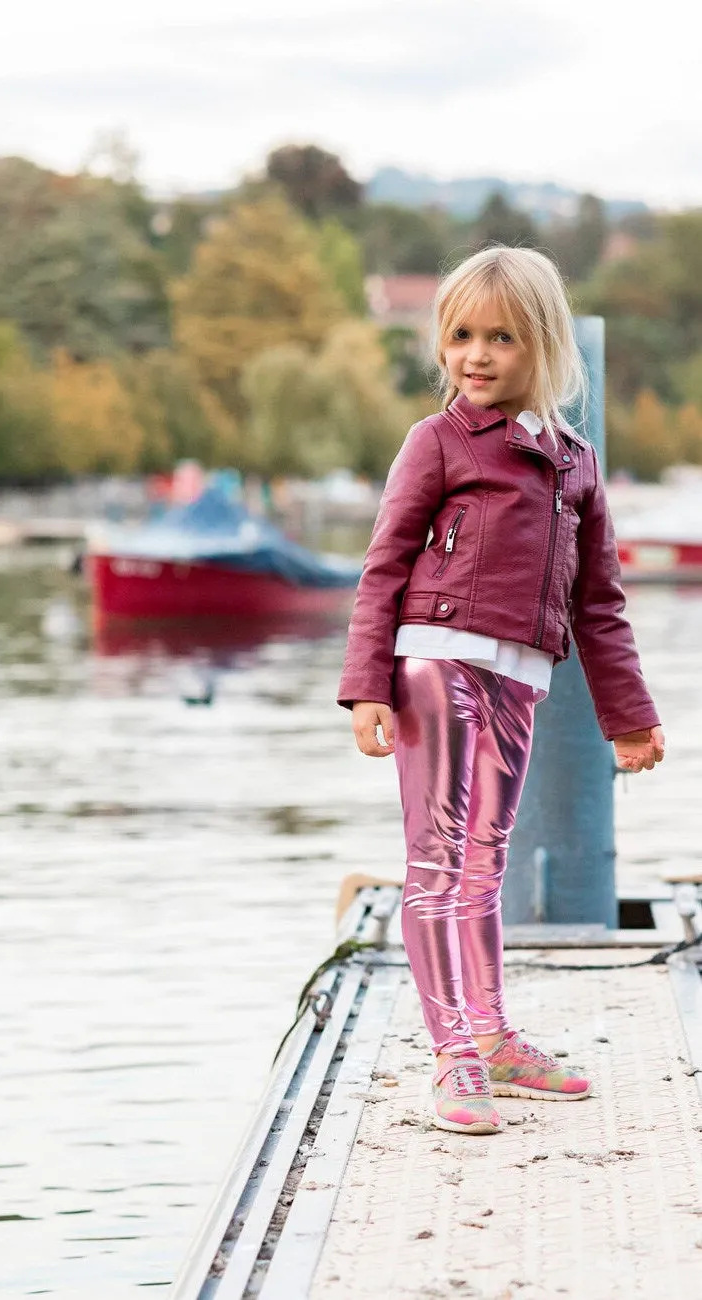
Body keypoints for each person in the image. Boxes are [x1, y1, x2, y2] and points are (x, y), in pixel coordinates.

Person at [337, 246, 665, 1135]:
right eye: (459, 337)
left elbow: (599, 604)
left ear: (547, 345)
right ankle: (452, 1055)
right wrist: (368, 685)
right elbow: (383, 567)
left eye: (501, 338)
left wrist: (628, 718)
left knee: (485, 861)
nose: (474, 355)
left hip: (521, 679)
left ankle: (493, 1035)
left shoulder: (574, 464)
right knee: (440, 861)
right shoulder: (435, 443)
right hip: (435, 662)